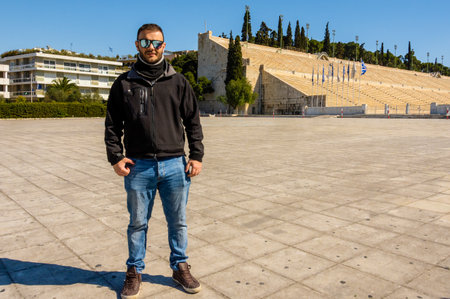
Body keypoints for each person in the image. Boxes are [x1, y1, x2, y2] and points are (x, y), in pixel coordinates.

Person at [105, 23, 204, 298]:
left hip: (175, 165)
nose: (151, 48)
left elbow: (192, 121)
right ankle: (134, 270)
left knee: (178, 222)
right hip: (139, 166)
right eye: (145, 42)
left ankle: (179, 266)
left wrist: (196, 155)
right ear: (136, 45)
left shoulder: (179, 82)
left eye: (156, 43)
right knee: (137, 222)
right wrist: (116, 157)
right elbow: (112, 125)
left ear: (164, 45)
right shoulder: (124, 84)